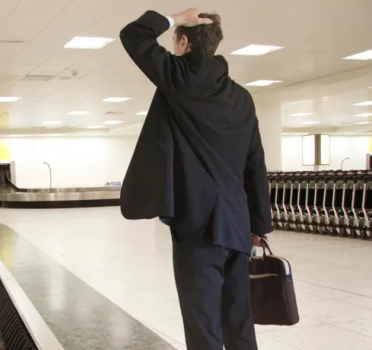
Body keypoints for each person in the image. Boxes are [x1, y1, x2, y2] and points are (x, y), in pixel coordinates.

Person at [118, 8, 273, 350]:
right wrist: (258, 224)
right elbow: (254, 163)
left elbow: (134, 35)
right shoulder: (242, 98)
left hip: (198, 226)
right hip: (237, 223)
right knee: (239, 320)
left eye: (175, 41)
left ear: (184, 43)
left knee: (202, 323)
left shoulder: (178, 78)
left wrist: (174, 18)